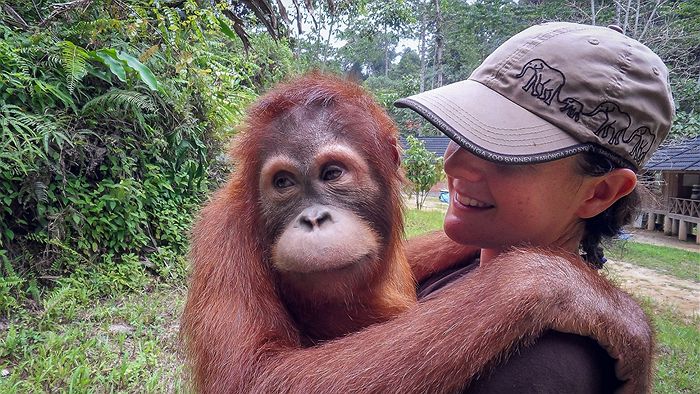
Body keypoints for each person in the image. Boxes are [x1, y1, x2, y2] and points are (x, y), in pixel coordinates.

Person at [396, 21, 674, 392]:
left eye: (507, 151)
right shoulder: (457, 261)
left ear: (601, 192)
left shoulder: (537, 369)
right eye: (460, 131)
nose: (453, 164)